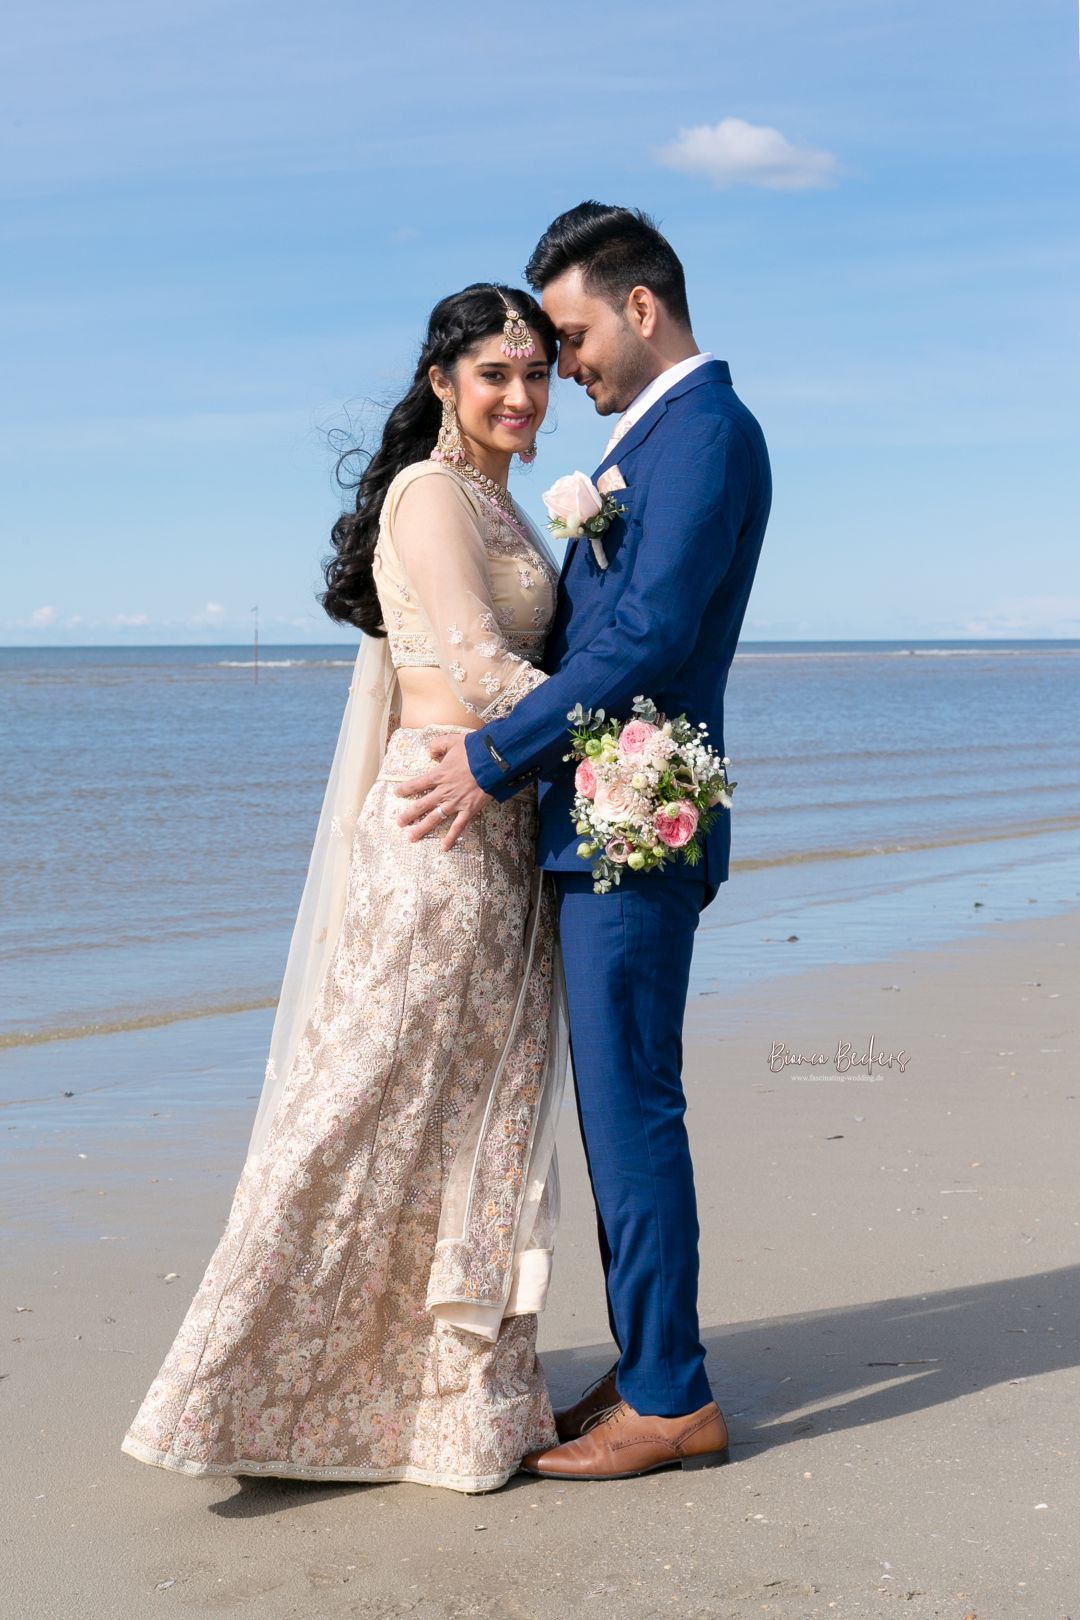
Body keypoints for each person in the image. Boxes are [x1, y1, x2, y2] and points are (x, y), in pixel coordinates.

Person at [120, 283, 570, 1494]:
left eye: (536, 373)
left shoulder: (500, 502)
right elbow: (477, 665)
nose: (522, 396)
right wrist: (622, 722)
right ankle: (233, 1384)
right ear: (442, 383)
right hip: (443, 818)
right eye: (496, 374)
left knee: (468, 1112)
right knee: (364, 1092)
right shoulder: (431, 492)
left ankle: (438, 1411)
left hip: (502, 818)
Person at [397, 204, 773, 1480]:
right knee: (618, 1108)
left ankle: (671, 1399)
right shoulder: (653, 437)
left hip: (633, 823)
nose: (561, 367)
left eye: (569, 336)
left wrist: (494, 756)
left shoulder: (705, 431)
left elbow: (650, 637)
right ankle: (650, 1356)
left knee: (629, 1108)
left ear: (641, 307)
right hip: (600, 816)